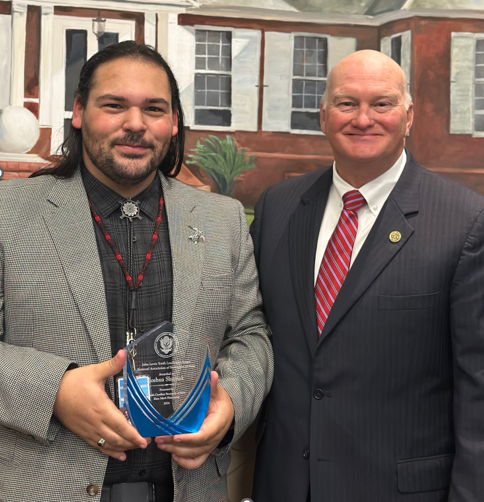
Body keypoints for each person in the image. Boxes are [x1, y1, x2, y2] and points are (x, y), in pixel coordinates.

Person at [0, 41, 273, 502]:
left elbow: (251, 334)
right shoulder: (9, 213)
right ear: (80, 112)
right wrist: (53, 389)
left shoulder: (220, 219)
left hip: (187, 485)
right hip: (42, 484)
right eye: (115, 105)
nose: (135, 124)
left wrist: (229, 403)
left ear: (172, 123)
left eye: (154, 108)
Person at [251, 49, 484, 501]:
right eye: (345, 103)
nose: (363, 119)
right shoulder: (277, 207)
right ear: (323, 116)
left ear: (409, 115)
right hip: (283, 486)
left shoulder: (465, 221)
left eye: (382, 103)